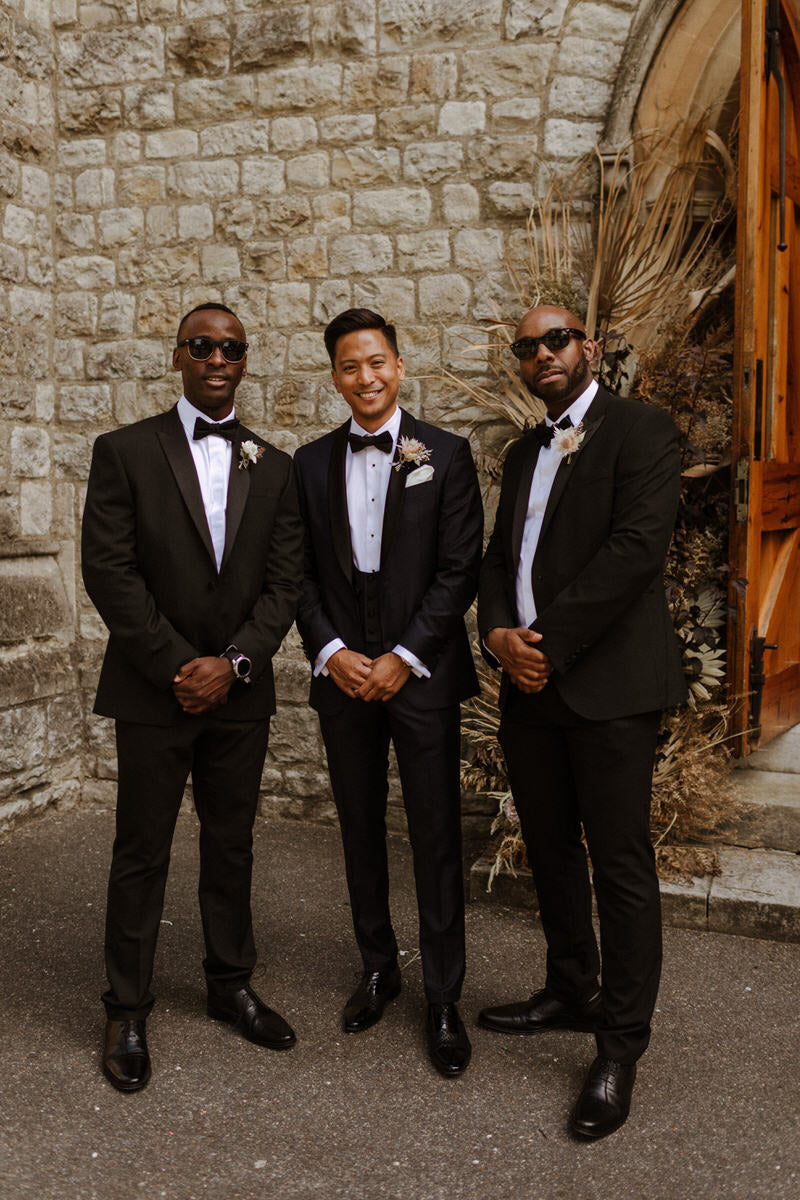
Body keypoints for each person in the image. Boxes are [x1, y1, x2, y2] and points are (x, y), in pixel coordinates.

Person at [82, 302, 304, 1092]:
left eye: (232, 348)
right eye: (202, 345)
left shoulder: (275, 466)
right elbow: (109, 572)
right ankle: (127, 1006)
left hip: (239, 696)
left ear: (246, 361)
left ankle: (229, 984)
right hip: (153, 690)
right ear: (178, 354)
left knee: (231, 843)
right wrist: (183, 664)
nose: (217, 358)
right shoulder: (123, 451)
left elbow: (286, 585)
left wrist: (235, 662)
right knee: (141, 852)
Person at [477, 305, 687, 1138]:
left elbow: (636, 551)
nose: (543, 354)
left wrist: (546, 645)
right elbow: (499, 558)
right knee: (551, 848)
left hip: (607, 688)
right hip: (529, 689)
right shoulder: (521, 450)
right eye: (527, 347)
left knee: (621, 864)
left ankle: (619, 1045)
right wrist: (498, 637)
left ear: (587, 349)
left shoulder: (641, 430)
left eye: (556, 340)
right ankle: (570, 987)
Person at [293, 308, 483, 1077]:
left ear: (398, 366)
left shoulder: (447, 453)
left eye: (376, 362)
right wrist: (332, 650)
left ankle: (443, 996)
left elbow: (460, 568)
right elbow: (295, 572)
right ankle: (379, 967)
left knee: (436, 835)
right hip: (344, 677)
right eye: (348, 366)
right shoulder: (307, 464)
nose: (364, 378)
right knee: (359, 827)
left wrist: (404, 655)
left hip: (421, 673)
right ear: (335, 377)